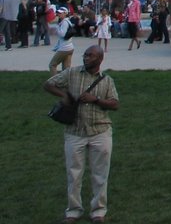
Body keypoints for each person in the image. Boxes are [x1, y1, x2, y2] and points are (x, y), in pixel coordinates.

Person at [43, 45, 120, 224]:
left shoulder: (106, 80)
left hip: (100, 131)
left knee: (100, 173)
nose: (86, 58)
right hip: (75, 132)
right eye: (85, 55)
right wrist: (64, 95)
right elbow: (48, 84)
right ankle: (73, 211)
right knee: (74, 173)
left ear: (100, 59)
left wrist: (96, 100)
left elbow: (115, 104)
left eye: (90, 56)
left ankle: (98, 211)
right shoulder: (72, 74)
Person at [50, 7, 76, 74]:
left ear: (65, 13)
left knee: (52, 65)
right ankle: (65, 82)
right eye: (58, 13)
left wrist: (57, 27)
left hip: (64, 48)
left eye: (60, 13)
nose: (58, 14)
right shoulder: (67, 21)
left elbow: (62, 34)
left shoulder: (64, 22)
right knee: (66, 69)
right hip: (70, 47)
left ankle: (54, 81)